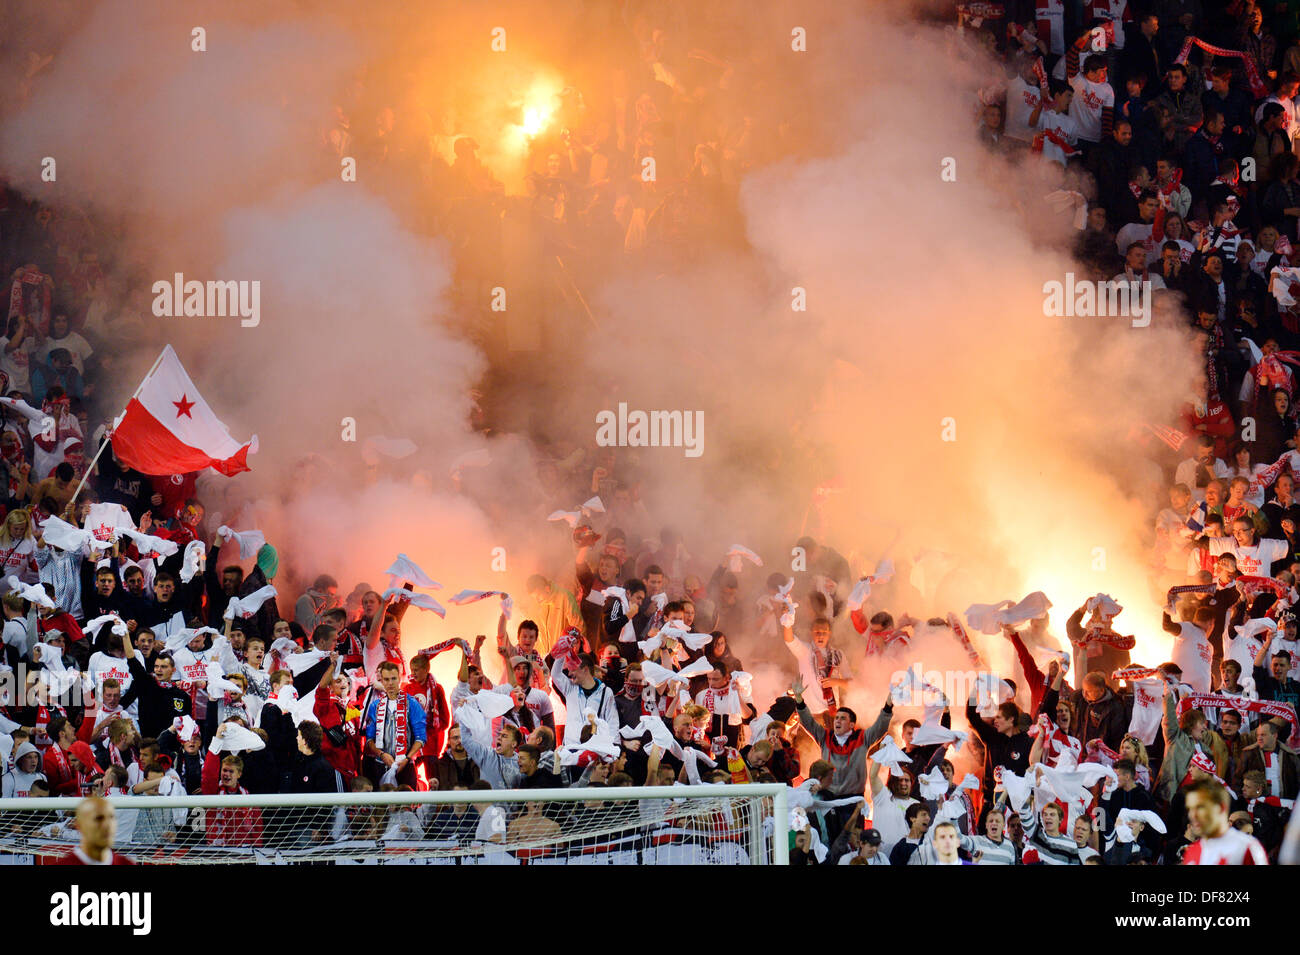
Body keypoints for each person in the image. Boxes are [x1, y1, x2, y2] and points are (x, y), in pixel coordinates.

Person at [362, 661, 426, 788]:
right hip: (380, 763)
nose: (390, 683)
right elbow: (369, 739)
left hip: (406, 765)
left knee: (407, 806)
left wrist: (407, 758)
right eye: (386, 679)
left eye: (393, 678)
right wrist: (381, 754)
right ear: (382, 681)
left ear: (400, 678)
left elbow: (421, 738)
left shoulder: (412, 704)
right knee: (383, 806)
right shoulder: (375, 706)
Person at [1182, 778, 1269, 864]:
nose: (1192, 815)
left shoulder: (1247, 848)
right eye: (1190, 808)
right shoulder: (1192, 852)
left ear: (1221, 808)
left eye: (1200, 807)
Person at [49, 796, 134, 865]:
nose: (107, 825)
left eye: (111, 818)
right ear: (79, 826)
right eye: (98, 819)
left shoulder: (126, 863)